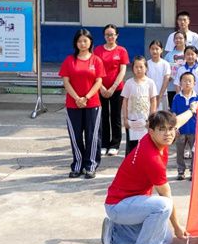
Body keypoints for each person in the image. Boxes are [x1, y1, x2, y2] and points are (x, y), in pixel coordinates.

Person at [102, 109, 197, 244]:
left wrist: (192, 110)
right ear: (151, 131)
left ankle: (115, 233)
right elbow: (166, 195)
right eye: (162, 129)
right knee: (163, 205)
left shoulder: (155, 138)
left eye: (171, 129)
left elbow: (177, 122)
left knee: (165, 240)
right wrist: (177, 227)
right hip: (118, 205)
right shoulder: (152, 158)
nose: (168, 133)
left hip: (132, 203)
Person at [59, 29, 105, 179]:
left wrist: (86, 97)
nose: (82, 43)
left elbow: (98, 81)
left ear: (90, 42)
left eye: (85, 40)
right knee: (76, 136)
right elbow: (66, 81)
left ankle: (91, 165)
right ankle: (78, 165)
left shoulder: (96, 60)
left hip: (92, 104)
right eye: (79, 41)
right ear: (75, 43)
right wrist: (77, 98)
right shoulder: (69, 60)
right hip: (73, 105)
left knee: (92, 136)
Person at [94, 24, 129, 157]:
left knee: (115, 117)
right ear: (104, 36)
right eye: (107, 35)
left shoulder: (121, 51)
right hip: (100, 89)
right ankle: (104, 144)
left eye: (112, 34)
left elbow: (122, 71)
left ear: (117, 35)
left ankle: (114, 145)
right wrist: (102, 87)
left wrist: (113, 87)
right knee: (103, 117)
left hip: (117, 89)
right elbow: (95, 70)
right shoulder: (98, 50)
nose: (110, 37)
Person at [121, 56, 158, 156]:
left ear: (146, 68)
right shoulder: (129, 83)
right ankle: (131, 163)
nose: (139, 69)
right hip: (132, 121)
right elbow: (125, 101)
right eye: (136, 67)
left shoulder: (150, 83)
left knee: (146, 145)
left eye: (141, 67)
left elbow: (153, 100)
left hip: (145, 121)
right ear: (132, 68)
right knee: (131, 147)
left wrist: (151, 119)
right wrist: (125, 119)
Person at [170, 72, 198, 181]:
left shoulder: (197, 97)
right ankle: (181, 171)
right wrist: (175, 127)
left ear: (194, 83)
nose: (187, 83)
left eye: (189, 81)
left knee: (194, 152)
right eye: (184, 81)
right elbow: (174, 113)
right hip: (180, 130)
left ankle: (193, 172)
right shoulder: (177, 97)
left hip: (193, 130)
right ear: (180, 83)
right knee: (180, 152)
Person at [147, 40, 171, 111]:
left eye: (157, 49)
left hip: (163, 95)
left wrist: (160, 96)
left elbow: (166, 80)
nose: (154, 51)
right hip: (149, 95)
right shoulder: (146, 64)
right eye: (152, 49)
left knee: (163, 116)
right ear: (149, 50)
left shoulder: (165, 64)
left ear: (161, 50)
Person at [164, 31, 186, 107]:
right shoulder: (169, 55)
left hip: (186, 87)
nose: (178, 40)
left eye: (180, 38)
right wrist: (168, 76)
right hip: (171, 88)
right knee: (173, 110)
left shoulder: (190, 53)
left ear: (185, 40)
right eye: (176, 38)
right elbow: (164, 71)